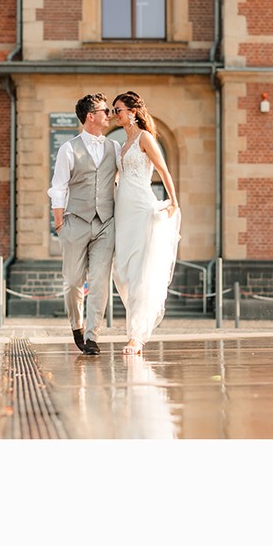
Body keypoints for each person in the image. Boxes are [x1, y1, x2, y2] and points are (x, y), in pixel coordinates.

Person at [48, 93, 121, 355]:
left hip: (105, 224)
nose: (109, 115)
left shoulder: (114, 147)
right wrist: (59, 223)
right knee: (72, 282)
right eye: (105, 111)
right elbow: (58, 188)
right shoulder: (69, 149)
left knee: (100, 281)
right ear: (91, 116)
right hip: (75, 223)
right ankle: (76, 327)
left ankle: (92, 337)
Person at [110, 91, 181, 355]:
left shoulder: (145, 138)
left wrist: (173, 200)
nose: (114, 114)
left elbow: (163, 170)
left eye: (118, 109)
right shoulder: (123, 143)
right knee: (122, 271)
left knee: (140, 273)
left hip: (141, 208)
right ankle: (135, 329)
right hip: (123, 210)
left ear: (132, 112)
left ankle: (136, 336)